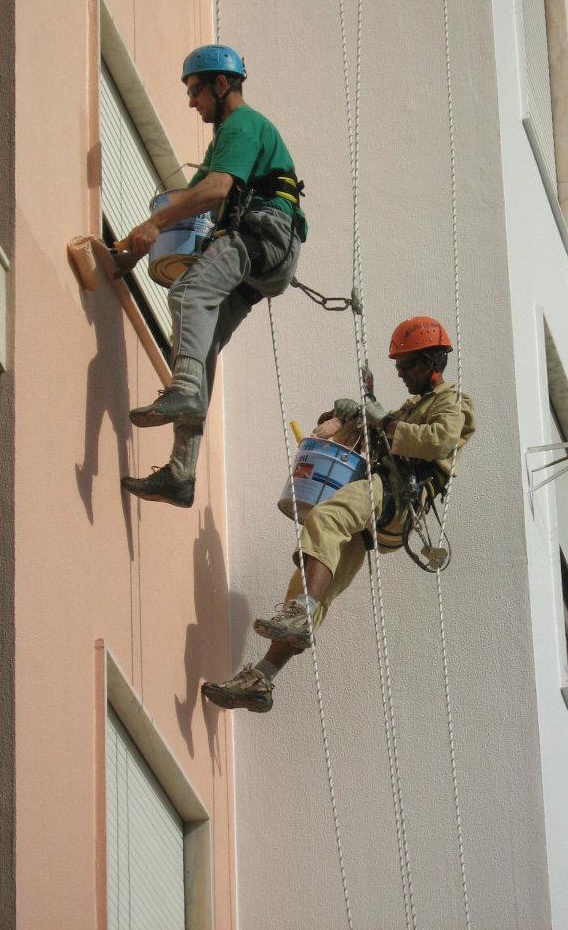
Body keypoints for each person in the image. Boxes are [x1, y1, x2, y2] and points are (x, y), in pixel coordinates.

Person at [201, 316, 476, 713]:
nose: (400, 374)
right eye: (397, 367)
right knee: (314, 584)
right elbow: (384, 433)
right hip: (381, 506)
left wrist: (382, 419)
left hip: (398, 492)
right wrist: (355, 418)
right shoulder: (414, 406)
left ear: (431, 361)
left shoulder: (451, 402)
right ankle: (262, 677)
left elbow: (437, 441)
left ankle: (301, 614)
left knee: (326, 519)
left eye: (406, 366)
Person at [119, 44, 307, 508]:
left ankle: (182, 391)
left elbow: (216, 190)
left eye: (195, 89)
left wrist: (153, 225)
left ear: (222, 84)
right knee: (201, 344)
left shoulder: (243, 125)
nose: (191, 102)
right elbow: (192, 197)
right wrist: (132, 249)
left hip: (262, 234)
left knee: (187, 294)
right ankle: (181, 474)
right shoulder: (225, 140)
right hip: (267, 256)